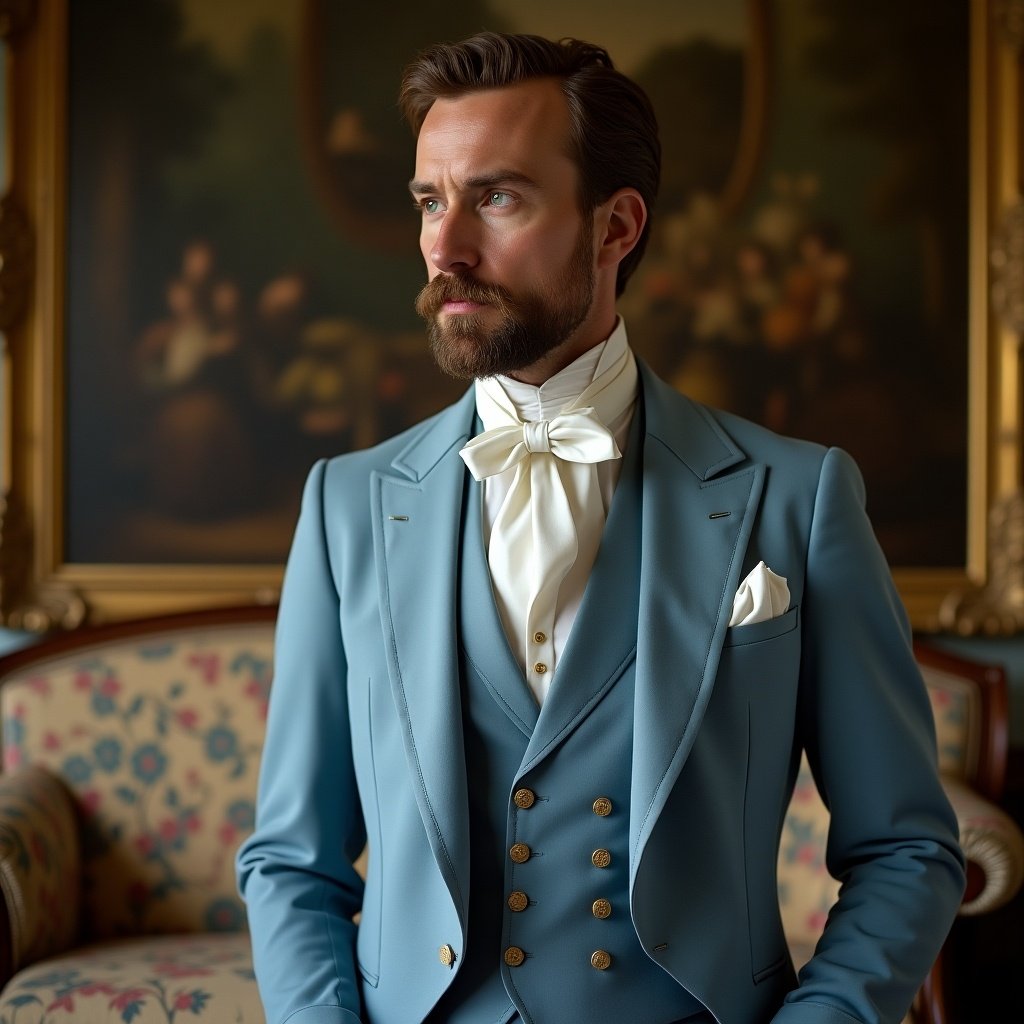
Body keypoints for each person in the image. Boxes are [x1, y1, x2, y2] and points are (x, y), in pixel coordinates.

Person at [236, 32, 965, 1024]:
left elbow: (905, 848)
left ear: (615, 225)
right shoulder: (345, 507)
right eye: (427, 201)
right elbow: (291, 859)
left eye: (496, 197)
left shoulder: (796, 497)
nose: (445, 247)